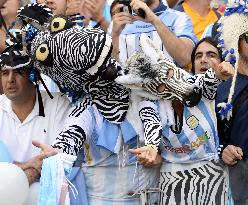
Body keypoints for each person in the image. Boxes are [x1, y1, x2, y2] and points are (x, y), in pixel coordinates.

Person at [127, 36, 234, 204]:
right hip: (173, 179)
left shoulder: (195, 84)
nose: (167, 83)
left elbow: (209, 79)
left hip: (211, 173)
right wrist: (151, 146)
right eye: (159, 84)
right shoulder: (148, 103)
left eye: (168, 74)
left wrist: (219, 73)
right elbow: (151, 123)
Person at [0, 47, 70, 204]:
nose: (10, 79)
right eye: (5, 73)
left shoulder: (58, 103)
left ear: (33, 75)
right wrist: (27, 167)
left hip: (45, 196)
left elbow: (58, 158)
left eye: (18, 72)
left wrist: (21, 175)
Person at [215, 2, 248, 204]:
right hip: (239, 174)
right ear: (236, 42)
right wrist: (224, 149)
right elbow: (213, 138)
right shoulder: (223, 89)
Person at [110, 0, 197, 68]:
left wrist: (155, 20)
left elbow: (185, 59)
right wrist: (115, 35)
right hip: (130, 89)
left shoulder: (179, 18)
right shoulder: (117, 23)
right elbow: (111, 67)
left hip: (167, 89)